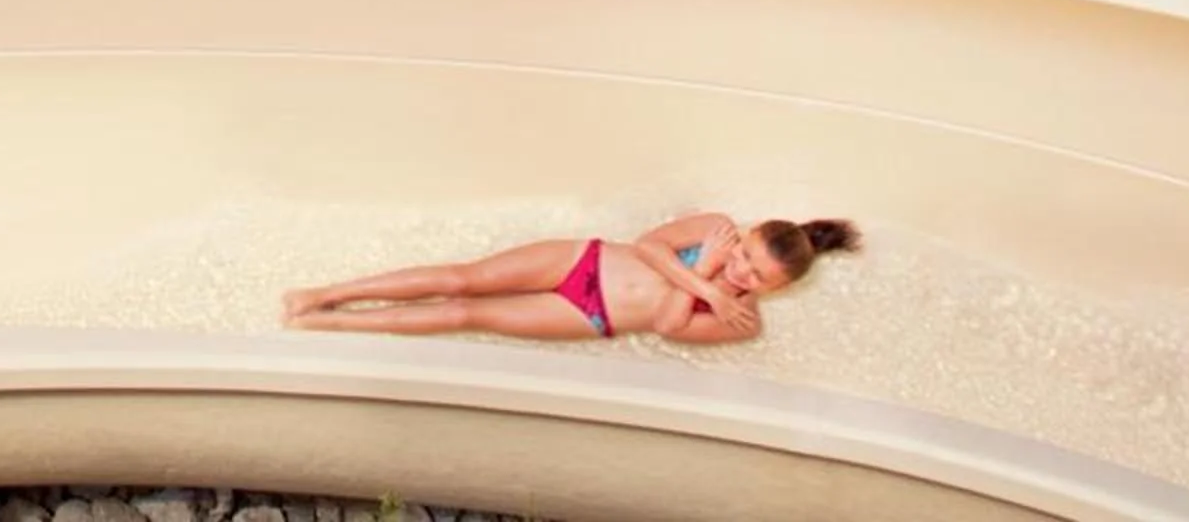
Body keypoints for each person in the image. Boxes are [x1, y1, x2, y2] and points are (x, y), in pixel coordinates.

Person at [281, 215, 858, 345]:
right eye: (746, 256)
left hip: (591, 314)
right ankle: (327, 294)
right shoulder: (716, 228)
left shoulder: (743, 320)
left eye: (757, 276)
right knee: (462, 279)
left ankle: (331, 326)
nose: (741, 271)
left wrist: (707, 278)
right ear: (750, 234)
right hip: (585, 260)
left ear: (778, 289)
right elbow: (648, 245)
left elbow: (667, 326)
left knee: (465, 314)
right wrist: (705, 280)